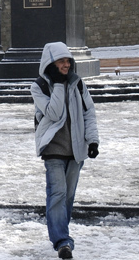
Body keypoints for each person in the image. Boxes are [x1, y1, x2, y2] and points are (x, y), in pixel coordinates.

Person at [32, 42, 99, 259]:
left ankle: (61, 234)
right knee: (57, 194)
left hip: (76, 150)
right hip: (53, 149)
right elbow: (53, 112)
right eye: (61, 61)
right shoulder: (39, 87)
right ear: (51, 63)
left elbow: (89, 113)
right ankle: (62, 241)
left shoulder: (78, 84)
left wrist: (93, 141)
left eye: (68, 60)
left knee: (68, 196)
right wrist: (59, 85)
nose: (66, 65)